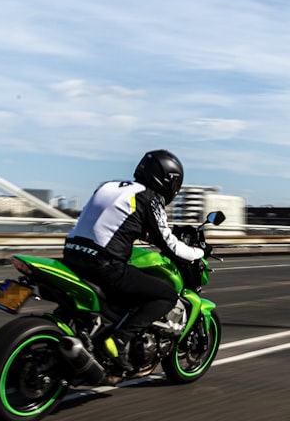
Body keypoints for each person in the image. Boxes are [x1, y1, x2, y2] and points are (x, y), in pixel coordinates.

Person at [62, 149, 206, 373]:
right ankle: (118, 342)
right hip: (105, 265)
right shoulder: (149, 198)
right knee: (166, 294)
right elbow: (171, 245)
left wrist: (143, 232)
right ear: (168, 180)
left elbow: (110, 222)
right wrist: (198, 253)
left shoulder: (108, 186)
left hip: (72, 254)